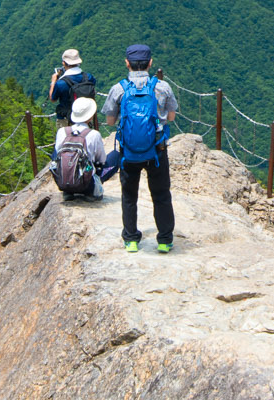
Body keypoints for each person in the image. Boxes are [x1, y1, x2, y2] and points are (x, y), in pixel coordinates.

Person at [103, 44, 178, 253]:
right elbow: (171, 117)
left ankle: (131, 239)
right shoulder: (162, 87)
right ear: (150, 63)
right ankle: (164, 240)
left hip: (129, 153)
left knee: (129, 195)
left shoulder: (119, 89)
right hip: (157, 150)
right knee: (161, 194)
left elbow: (109, 121)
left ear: (127, 63)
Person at [51, 96, 110, 200]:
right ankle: (93, 190)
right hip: (87, 185)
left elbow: (55, 155)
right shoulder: (94, 134)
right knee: (115, 157)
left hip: (64, 182)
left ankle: (69, 191)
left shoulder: (62, 131)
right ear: (90, 116)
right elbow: (102, 160)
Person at [48, 49, 99, 125]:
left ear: (64, 63)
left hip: (66, 119)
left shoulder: (61, 83)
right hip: (86, 116)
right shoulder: (88, 77)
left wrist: (53, 81)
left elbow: (52, 98)